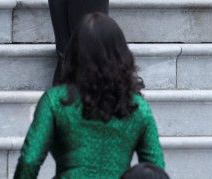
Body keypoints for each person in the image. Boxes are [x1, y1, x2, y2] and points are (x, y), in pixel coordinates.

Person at [14, 12, 164, 178]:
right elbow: (155, 167)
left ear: (74, 53)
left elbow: (29, 160)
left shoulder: (55, 100)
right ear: (121, 54)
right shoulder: (137, 107)